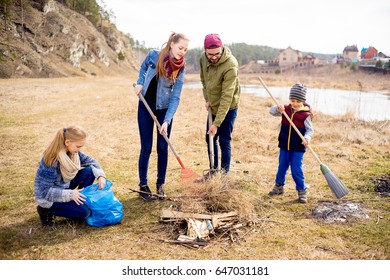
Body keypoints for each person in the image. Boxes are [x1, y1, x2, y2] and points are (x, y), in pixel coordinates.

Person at [133, 32, 189, 201]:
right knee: (147, 147)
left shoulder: (180, 68)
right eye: (180, 47)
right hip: (146, 105)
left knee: (163, 148)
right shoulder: (153, 55)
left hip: (164, 109)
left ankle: (160, 185)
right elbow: (143, 68)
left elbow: (176, 96)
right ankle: (143, 186)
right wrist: (140, 82)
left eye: (185, 50)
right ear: (172, 44)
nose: (182, 52)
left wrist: (167, 120)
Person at [34, 125, 106, 226]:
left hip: (64, 187)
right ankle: (45, 210)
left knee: (90, 171)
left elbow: (92, 162)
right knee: (85, 213)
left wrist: (100, 176)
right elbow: (45, 192)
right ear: (67, 142)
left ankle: (80, 200)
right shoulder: (51, 160)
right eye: (78, 146)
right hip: (49, 198)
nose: (80, 149)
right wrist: (71, 194)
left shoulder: (73, 152)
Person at [199, 33, 241, 176]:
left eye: (217, 54)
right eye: (210, 55)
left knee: (224, 140)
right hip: (214, 104)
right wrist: (207, 99)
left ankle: (223, 175)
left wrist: (216, 124)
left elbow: (227, 96)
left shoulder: (231, 65)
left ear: (222, 48)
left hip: (228, 106)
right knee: (209, 138)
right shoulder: (202, 58)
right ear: (205, 51)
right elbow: (204, 80)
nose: (214, 57)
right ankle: (213, 170)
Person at [268, 83, 314, 203]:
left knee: (296, 169)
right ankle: (278, 187)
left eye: (298, 101)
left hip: (297, 147)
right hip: (284, 145)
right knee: (282, 166)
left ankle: (302, 191)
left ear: (303, 101)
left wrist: (307, 138)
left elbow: (310, 130)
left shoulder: (305, 115)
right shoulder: (286, 109)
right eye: (292, 100)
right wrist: (278, 108)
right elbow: (271, 112)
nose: (294, 103)